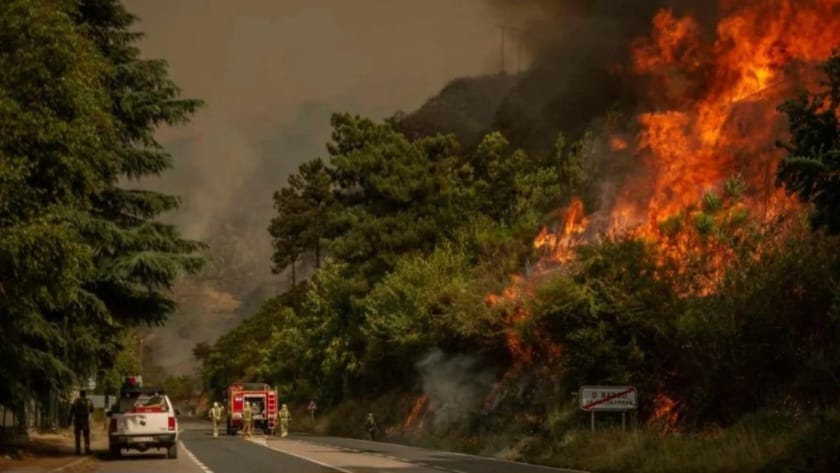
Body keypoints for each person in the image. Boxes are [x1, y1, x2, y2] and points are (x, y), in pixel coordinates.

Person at [68, 390, 94, 455]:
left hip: (77, 420)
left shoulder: (76, 401)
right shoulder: (88, 401)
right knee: (86, 435)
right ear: (85, 394)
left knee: (77, 435)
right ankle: (87, 449)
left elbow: (72, 411)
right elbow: (92, 409)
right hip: (85, 420)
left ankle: (78, 450)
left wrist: (69, 419)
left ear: (80, 394)